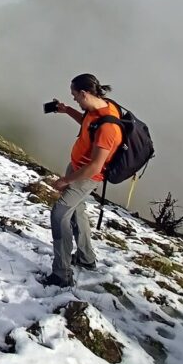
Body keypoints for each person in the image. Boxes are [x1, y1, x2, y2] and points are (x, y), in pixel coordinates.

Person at [42, 73, 123, 287]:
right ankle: (86, 259)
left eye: (75, 96)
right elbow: (88, 126)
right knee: (77, 211)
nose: (75, 99)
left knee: (59, 214)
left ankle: (61, 275)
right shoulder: (97, 109)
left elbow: (95, 166)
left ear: (85, 93)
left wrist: (66, 180)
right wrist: (67, 110)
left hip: (86, 177)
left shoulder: (108, 127)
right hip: (78, 169)